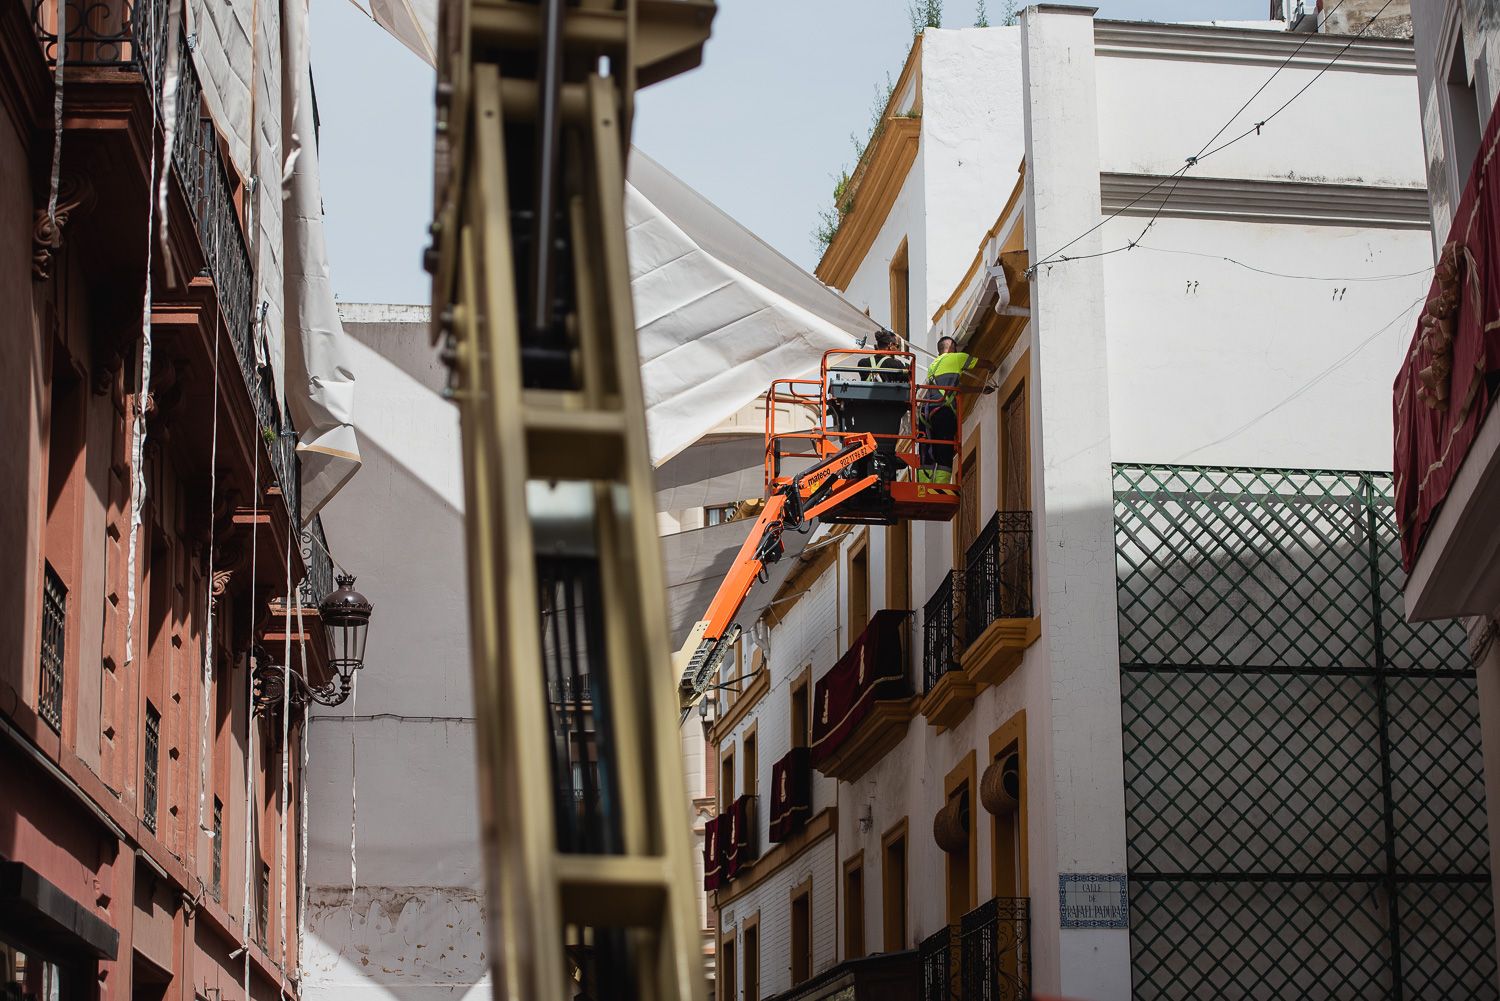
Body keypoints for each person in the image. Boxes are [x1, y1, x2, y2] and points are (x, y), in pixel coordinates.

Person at [917, 336, 975, 484]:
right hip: (942, 410)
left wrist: (979, 389)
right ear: (952, 349)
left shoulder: (934, 365)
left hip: (926, 411)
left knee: (927, 450)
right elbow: (981, 363)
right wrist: (992, 366)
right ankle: (940, 487)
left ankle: (924, 485)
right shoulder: (956, 358)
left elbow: (956, 389)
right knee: (944, 450)